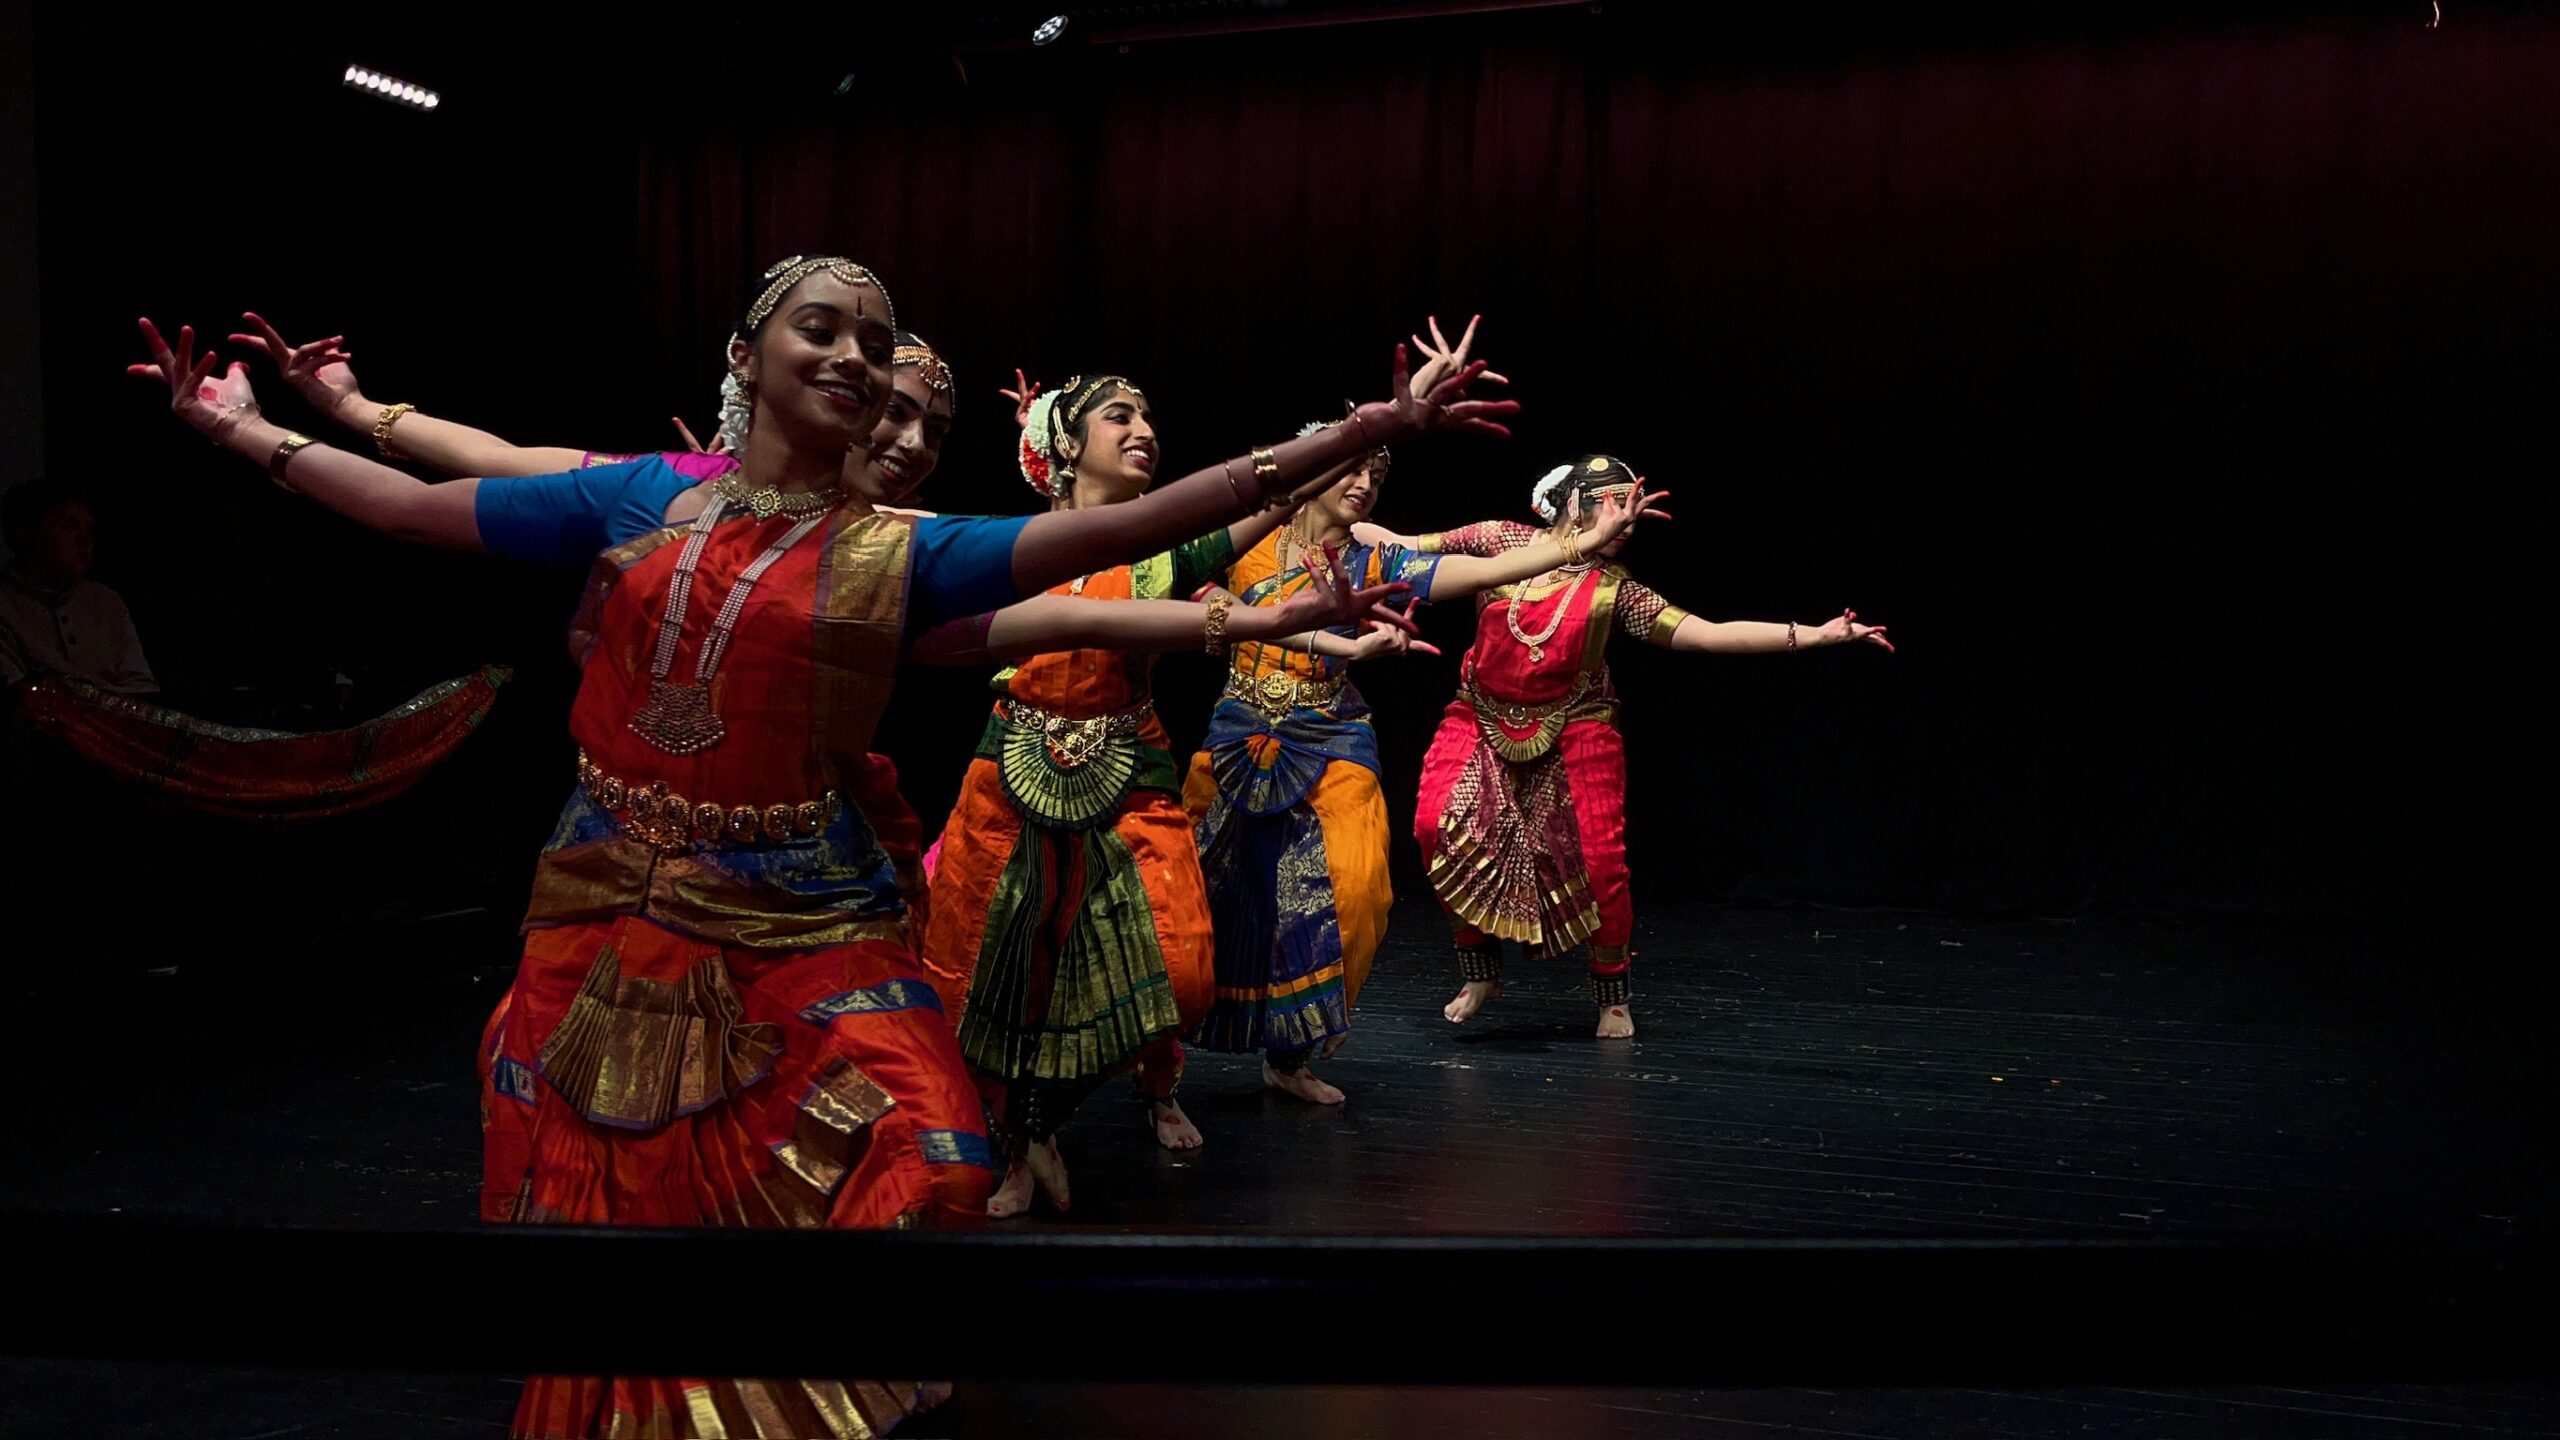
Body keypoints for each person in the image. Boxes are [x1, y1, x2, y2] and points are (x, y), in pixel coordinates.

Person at [130, 252, 1510, 1439]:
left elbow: (1130, 544)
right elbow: (428, 499)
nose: (858, 365)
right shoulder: (641, 496)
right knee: (612, 1205)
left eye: (884, 353)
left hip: (799, 901)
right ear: (748, 355)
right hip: (612, 900)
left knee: (934, 1163)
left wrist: (1355, 440)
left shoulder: (906, 551)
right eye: (826, 331)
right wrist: (260, 423)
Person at [1180, 404, 1661, 1104]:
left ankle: (1292, 1054)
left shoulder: (1376, 561)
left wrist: (1578, 543)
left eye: (1376, 475)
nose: (1365, 484)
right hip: (1239, 728)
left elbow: (1472, 567)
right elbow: (1174, 576)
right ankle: (1160, 1071)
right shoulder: (1246, 543)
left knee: (1358, 890)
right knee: (1195, 894)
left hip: (1330, 728)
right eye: (1351, 469)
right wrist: (1218, 605)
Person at [1367, 454, 1889, 1041]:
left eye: (1633, 516)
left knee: (1602, 863)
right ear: (1576, 505)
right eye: (1617, 508)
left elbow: (1707, 636)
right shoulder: (1498, 541)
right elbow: (1401, 545)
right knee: (1433, 825)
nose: (1628, 525)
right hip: (1480, 714)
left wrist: (1814, 636)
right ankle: (1481, 971)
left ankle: (1611, 991)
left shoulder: (1614, 590)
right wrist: (1319, 522)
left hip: (1575, 725)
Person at [0, 480, 157, 693]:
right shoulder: (6, 606)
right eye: (67, 526)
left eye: (89, 529)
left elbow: (142, 687)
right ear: (25, 534)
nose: (84, 538)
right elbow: (16, 698)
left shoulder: (105, 601)